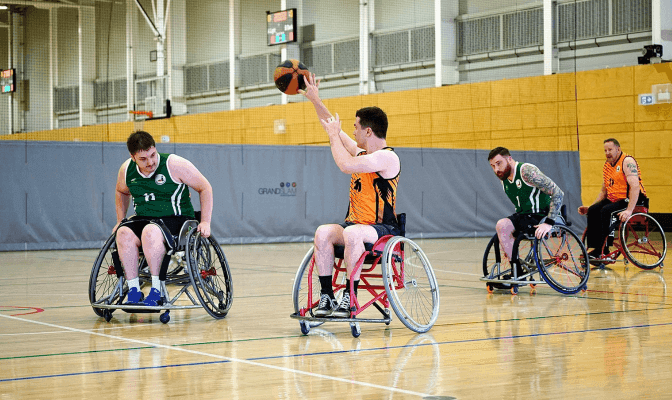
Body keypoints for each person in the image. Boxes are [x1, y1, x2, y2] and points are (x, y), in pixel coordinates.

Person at [299, 73, 401, 318]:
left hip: (381, 228)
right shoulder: (362, 152)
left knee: (352, 232)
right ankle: (326, 297)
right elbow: (333, 126)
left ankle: (349, 296)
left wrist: (334, 136)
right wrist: (315, 100)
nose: (352, 132)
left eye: (356, 127)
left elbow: (345, 164)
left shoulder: (387, 157)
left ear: (367, 131)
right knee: (323, 232)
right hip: (354, 225)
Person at [113, 131, 213, 306]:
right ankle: (134, 290)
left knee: (150, 231)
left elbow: (205, 187)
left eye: (152, 155)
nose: (150, 162)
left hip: (177, 219)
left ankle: (156, 290)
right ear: (133, 156)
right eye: (143, 159)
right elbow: (121, 191)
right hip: (144, 218)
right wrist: (120, 219)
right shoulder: (126, 169)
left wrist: (205, 221)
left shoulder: (174, 164)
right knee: (122, 233)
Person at [488, 147, 565, 274]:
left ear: (509, 159)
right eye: (492, 166)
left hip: (542, 215)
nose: (496, 170)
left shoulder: (526, 171)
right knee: (501, 225)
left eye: (499, 163)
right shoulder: (504, 179)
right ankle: (517, 270)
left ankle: (516, 271)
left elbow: (558, 192)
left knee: (512, 228)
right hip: (524, 216)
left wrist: (549, 222)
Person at [578, 138, 647, 258]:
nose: (607, 153)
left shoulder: (627, 161)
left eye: (610, 149)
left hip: (630, 199)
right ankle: (595, 248)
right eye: (605, 150)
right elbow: (603, 191)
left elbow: (635, 187)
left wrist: (629, 210)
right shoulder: (607, 165)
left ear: (618, 149)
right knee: (594, 210)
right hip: (614, 199)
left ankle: (603, 249)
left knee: (606, 211)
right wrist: (591, 206)